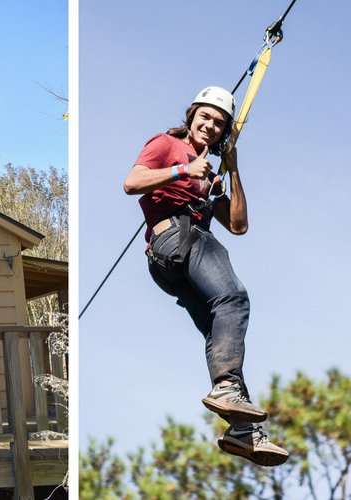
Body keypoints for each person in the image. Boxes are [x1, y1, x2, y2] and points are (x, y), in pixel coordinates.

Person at [122, 86, 288, 467]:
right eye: (206, 118)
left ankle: (242, 431)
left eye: (219, 123)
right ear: (192, 115)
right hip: (175, 240)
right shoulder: (167, 144)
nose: (211, 126)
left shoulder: (213, 175)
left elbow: (239, 225)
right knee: (233, 299)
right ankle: (228, 388)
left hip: (176, 261)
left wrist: (233, 167)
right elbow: (131, 182)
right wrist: (184, 169)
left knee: (220, 330)